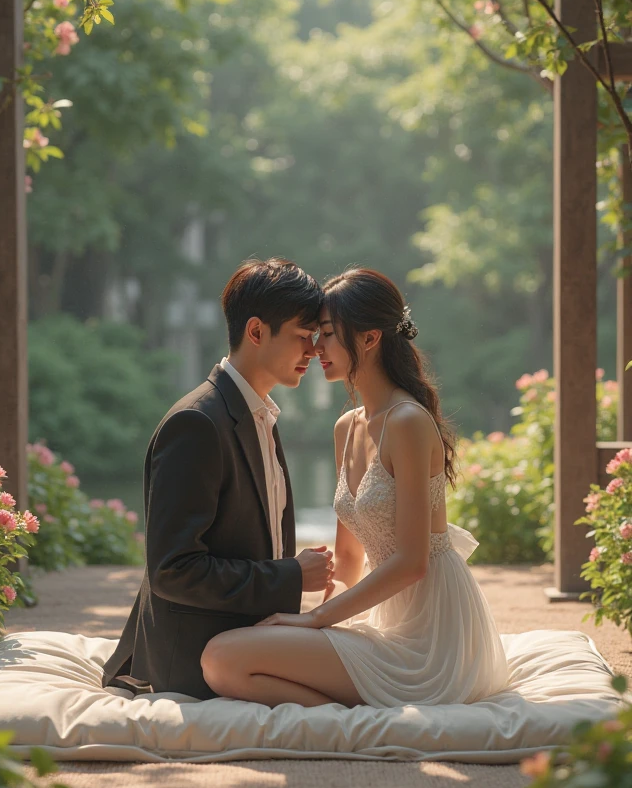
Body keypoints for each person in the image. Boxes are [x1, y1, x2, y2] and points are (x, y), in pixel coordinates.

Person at [199, 267, 510, 708]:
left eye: (325, 334)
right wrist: (310, 620)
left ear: (369, 338)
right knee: (224, 659)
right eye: (311, 335)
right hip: (385, 623)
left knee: (223, 658)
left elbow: (411, 563)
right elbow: (348, 559)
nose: (313, 346)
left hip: (431, 638)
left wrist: (316, 623)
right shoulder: (347, 427)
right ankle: (343, 708)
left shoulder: (407, 422)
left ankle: (346, 711)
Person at [102, 257, 335, 699]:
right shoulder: (197, 424)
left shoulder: (258, 413)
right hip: (196, 660)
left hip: (249, 635)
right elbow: (172, 570)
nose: (313, 351)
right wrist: (289, 577)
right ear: (256, 332)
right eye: (303, 337)